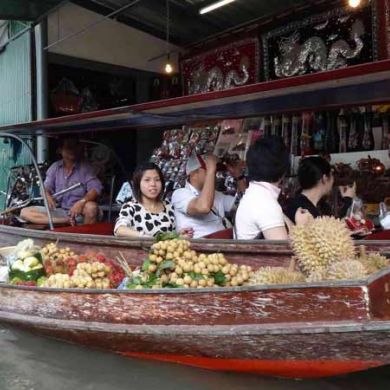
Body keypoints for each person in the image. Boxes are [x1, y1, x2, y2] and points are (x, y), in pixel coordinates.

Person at [235, 136, 311, 240]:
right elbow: (282, 253)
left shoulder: (255, 195)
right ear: (284, 171)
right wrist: (302, 227)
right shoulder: (266, 205)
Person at [21, 139, 103, 225]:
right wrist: (47, 196)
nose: (72, 150)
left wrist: (81, 202)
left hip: (79, 212)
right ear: (60, 150)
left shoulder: (86, 168)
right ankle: (66, 221)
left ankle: (84, 237)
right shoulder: (55, 167)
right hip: (60, 212)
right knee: (25, 212)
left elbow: (96, 189)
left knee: (91, 208)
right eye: (69, 147)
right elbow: (45, 187)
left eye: (75, 147)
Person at [171, 153, 244, 239]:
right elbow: (203, 207)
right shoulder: (180, 194)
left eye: (215, 171)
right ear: (194, 174)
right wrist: (211, 170)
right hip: (200, 248)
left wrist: (238, 176)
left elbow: (242, 205)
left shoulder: (216, 194)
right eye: (208, 169)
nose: (215, 174)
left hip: (224, 243)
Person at [114, 162, 193, 238]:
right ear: (138, 184)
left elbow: (168, 238)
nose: (153, 184)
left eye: (157, 180)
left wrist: (179, 236)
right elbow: (119, 230)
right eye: (147, 180)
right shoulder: (130, 207)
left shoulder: (169, 207)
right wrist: (143, 236)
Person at [285, 156, 355, 223]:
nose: (333, 181)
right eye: (331, 175)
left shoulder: (297, 204)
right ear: (324, 178)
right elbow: (329, 233)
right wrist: (347, 200)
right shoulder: (303, 211)